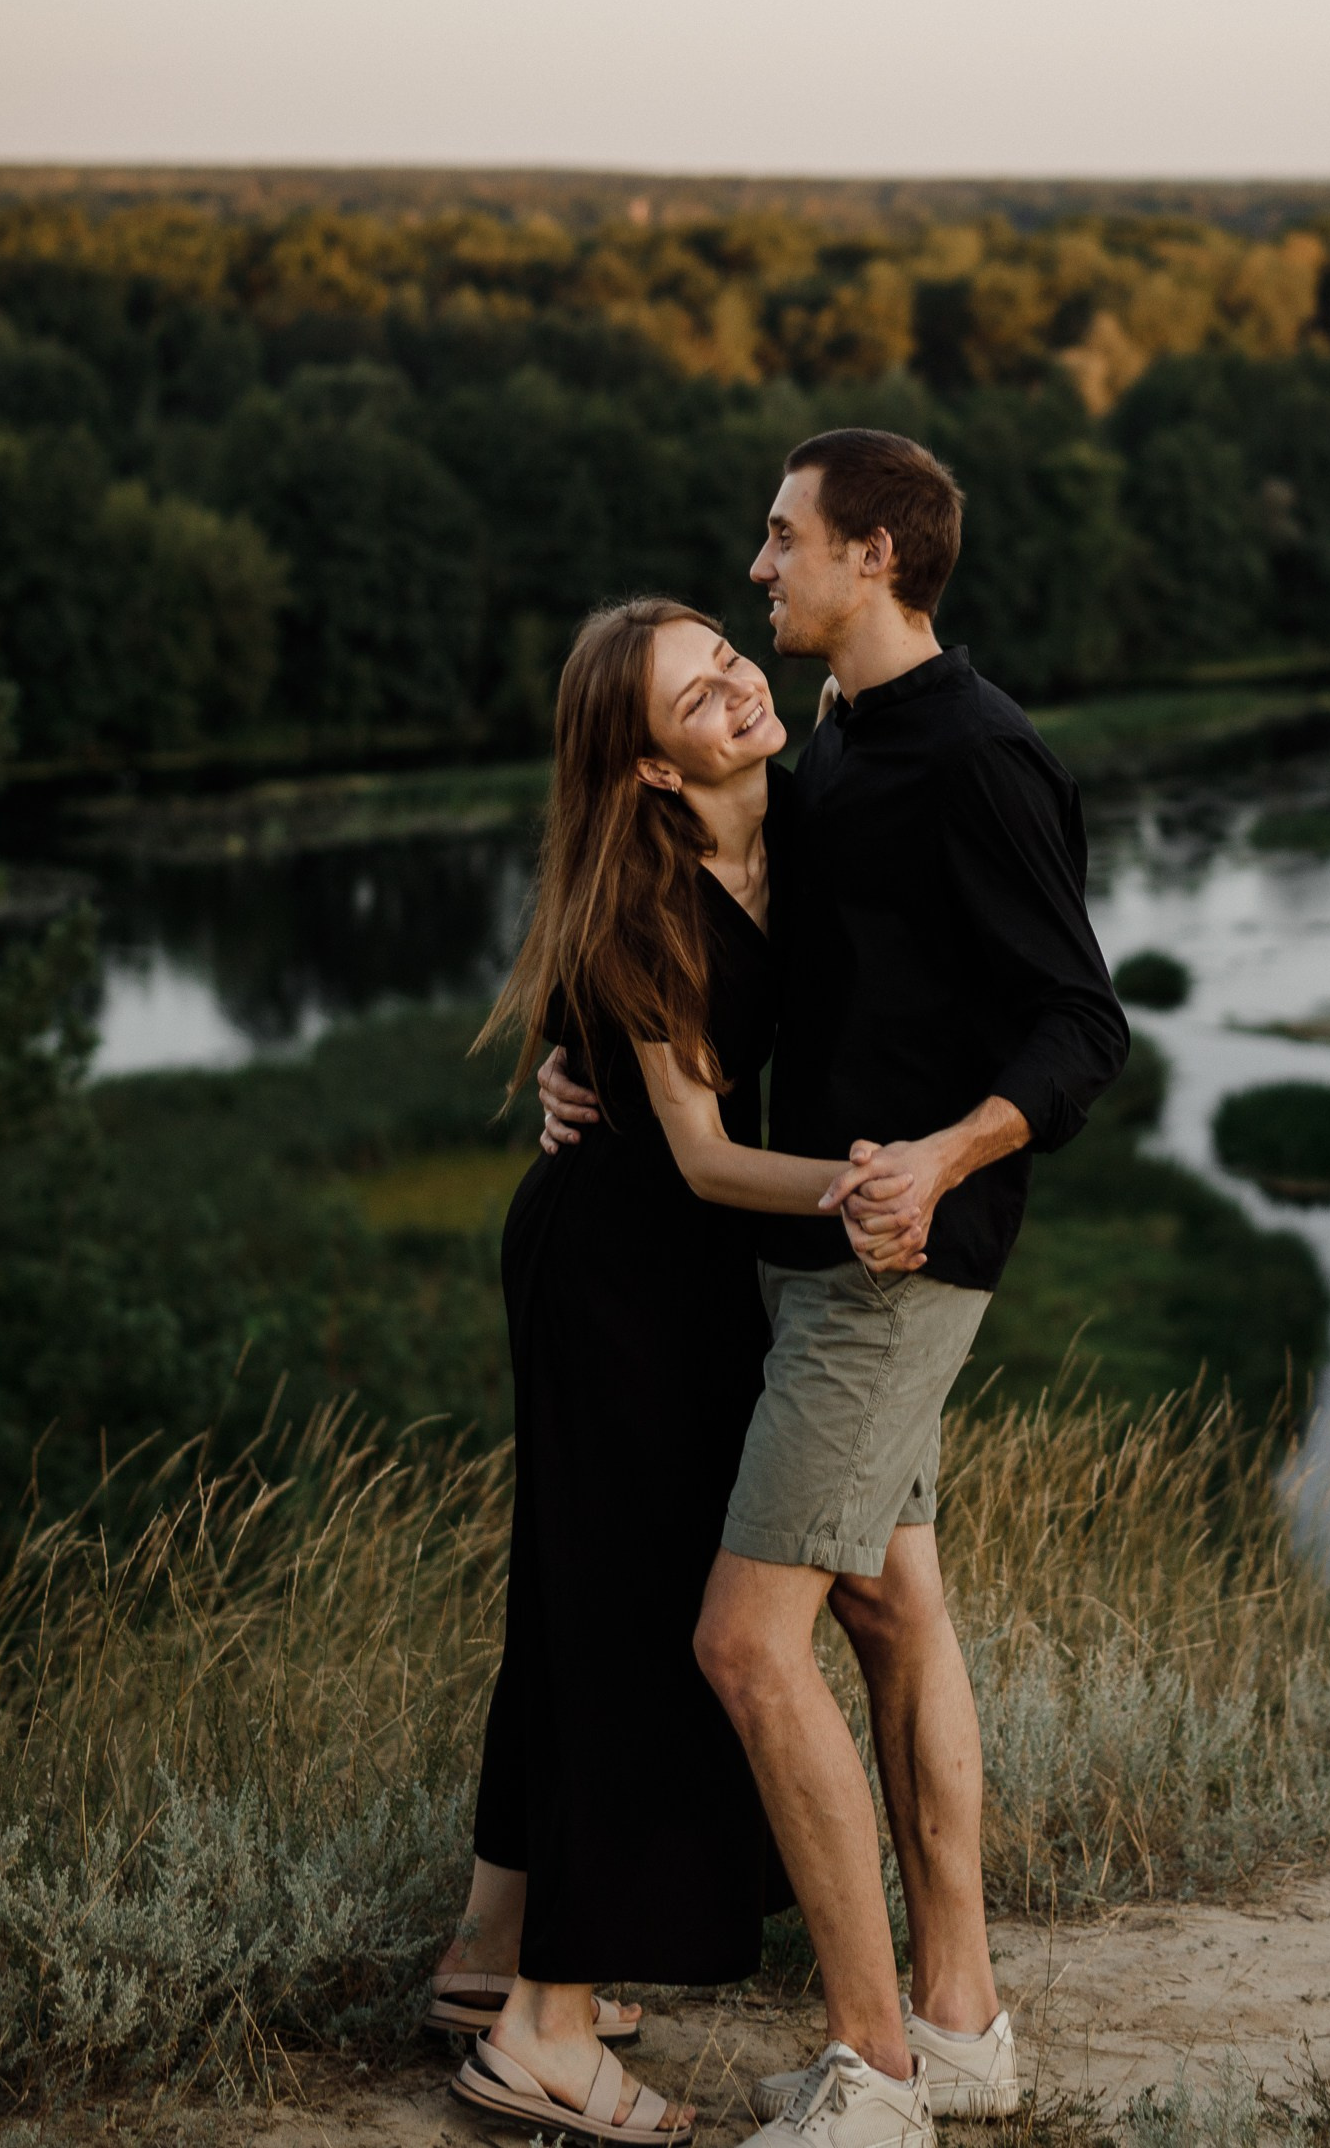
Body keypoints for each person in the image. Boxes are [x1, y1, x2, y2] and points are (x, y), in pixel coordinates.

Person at [540, 428, 1130, 2148]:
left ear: (872, 555)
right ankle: (958, 2024)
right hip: (825, 1247)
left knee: (743, 1640)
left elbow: (1083, 1027)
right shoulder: (842, 741)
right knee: (889, 1611)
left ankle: (871, 2079)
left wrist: (940, 1163)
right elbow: (711, 926)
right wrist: (583, 1069)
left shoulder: (979, 756)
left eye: (784, 539)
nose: (759, 567)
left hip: (895, 1258)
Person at [440, 593, 928, 2147]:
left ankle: (488, 1950)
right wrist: (874, 1191)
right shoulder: (644, 894)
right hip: (616, 1272)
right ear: (648, 769)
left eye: (726, 650)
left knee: (577, 1595)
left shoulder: (806, 796)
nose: (733, 684)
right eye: (691, 692)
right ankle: (546, 2030)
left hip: (691, 1269)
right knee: (632, 1618)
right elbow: (710, 1160)